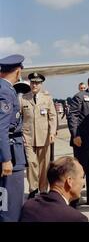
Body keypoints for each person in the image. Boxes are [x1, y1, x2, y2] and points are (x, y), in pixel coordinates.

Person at [68, 74, 89, 206]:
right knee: (79, 170)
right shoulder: (80, 96)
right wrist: (75, 135)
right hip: (81, 139)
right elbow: (73, 116)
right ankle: (75, 199)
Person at [20, 72, 57, 198]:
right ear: (30, 83)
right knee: (31, 163)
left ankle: (43, 189)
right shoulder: (23, 98)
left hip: (44, 136)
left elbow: (52, 116)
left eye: (37, 83)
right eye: (32, 82)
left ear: (41, 84)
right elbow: (18, 117)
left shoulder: (47, 98)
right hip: (28, 137)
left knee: (44, 165)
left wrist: (52, 132)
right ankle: (33, 189)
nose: (34, 85)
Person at [20, 156, 88, 222]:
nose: (83, 184)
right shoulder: (76, 218)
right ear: (69, 181)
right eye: (82, 177)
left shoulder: (29, 206)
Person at [0, 54, 27, 222]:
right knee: (12, 204)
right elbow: (1, 127)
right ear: (18, 72)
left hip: (10, 148)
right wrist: (6, 159)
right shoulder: (6, 90)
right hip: (10, 152)